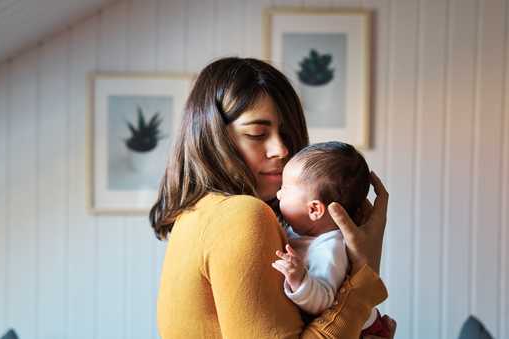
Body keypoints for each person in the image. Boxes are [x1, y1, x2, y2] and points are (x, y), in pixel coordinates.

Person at [150, 57, 395, 338]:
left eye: (286, 134)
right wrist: (364, 275)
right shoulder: (240, 215)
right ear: (212, 136)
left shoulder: (195, 215)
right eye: (257, 133)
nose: (281, 149)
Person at [272, 142, 391, 338]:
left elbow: (324, 301)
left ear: (314, 210)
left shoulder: (329, 249)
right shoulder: (301, 231)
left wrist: (299, 278)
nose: (278, 194)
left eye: (285, 189)